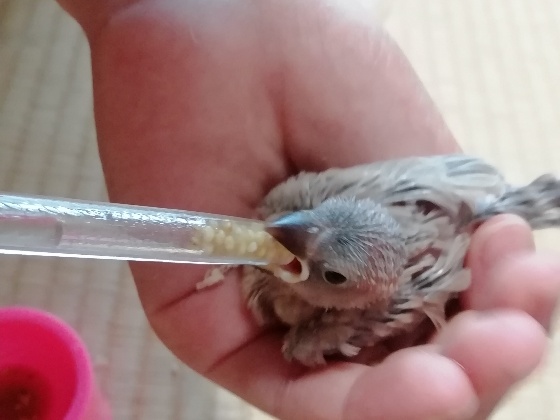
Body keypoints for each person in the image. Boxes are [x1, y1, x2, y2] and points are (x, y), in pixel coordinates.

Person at [56, 1, 560, 418]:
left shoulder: (338, 317)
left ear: (352, 297)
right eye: (320, 220)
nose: (295, 232)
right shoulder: (290, 208)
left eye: (332, 273)